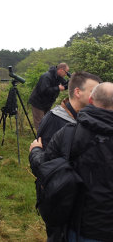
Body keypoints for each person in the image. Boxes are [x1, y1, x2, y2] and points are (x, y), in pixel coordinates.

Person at [29, 82, 113, 242]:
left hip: (79, 227)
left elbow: (45, 170)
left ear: (90, 100)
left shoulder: (69, 134)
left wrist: (35, 152)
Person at [37, 72, 101, 150]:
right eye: (94, 92)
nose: (99, 96)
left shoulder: (89, 117)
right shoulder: (54, 119)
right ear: (77, 92)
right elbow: (46, 158)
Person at [29, 63, 69, 129]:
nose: (66, 74)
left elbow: (65, 85)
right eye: (66, 72)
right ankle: (40, 138)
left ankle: (45, 138)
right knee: (40, 124)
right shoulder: (46, 76)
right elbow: (44, 90)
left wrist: (72, 80)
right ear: (61, 70)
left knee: (47, 122)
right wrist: (57, 88)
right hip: (38, 103)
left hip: (47, 103)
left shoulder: (58, 77)